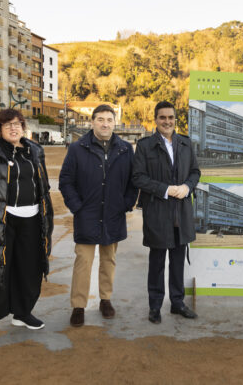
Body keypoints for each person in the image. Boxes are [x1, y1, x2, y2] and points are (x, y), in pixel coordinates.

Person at [0, 108, 54, 342]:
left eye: (17, 124)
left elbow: (41, 183)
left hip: (33, 219)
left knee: (29, 268)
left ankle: (22, 313)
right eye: (7, 125)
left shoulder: (35, 151)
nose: (14, 128)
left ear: (23, 127)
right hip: (1, 221)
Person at [59, 104, 138, 326]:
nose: (105, 124)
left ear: (115, 123)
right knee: (83, 261)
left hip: (113, 214)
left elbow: (133, 181)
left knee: (109, 260)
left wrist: (126, 204)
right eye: (100, 119)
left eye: (109, 120)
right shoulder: (77, 148)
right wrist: (77, 207)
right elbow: (66, 181)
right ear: (92, 122)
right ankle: (78, 305)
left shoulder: (124, 149)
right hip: (87, 214)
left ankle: (105, 300)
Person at [132, 101, 200, 324]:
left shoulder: (186, 144)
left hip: (181, 211)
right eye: (163, 118)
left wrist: (187, 187)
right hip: (158, 212)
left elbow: (195, 172)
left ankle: (178, 303)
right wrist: (165, 189)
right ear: (156, 120)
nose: (167, 121)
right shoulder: (145, 146)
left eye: (171, 117)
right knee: (158, 261)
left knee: (178, 260)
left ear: (175, 120)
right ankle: (155, 306)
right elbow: (138, 177)